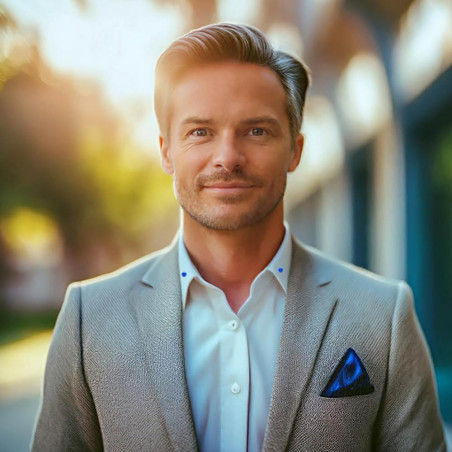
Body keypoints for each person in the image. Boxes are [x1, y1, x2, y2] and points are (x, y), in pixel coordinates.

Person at [32, 23, 446, 452]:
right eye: (200, 132)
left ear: (295, 151)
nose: (227, 157)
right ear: (165, 151)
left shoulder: (383, 318)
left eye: (256, 131)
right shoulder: (89, 320)